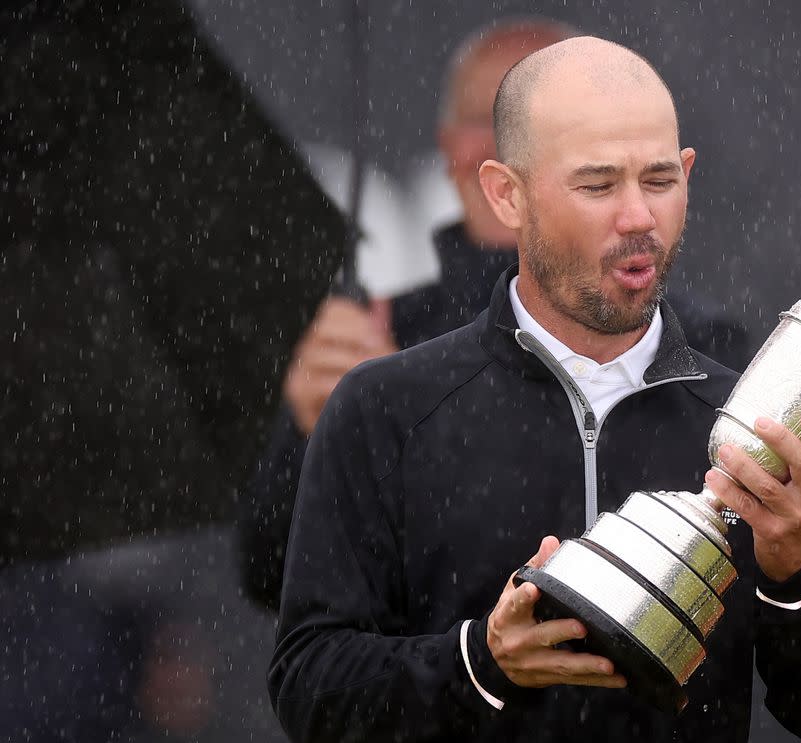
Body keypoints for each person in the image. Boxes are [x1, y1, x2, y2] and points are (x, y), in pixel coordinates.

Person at [268, 36, 801, 743]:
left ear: (687, 173)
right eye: (597, 185)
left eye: (659, 179)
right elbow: (309, 691)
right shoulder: (386, 405)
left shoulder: (744, 415)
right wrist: (480, 662)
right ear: (507, 195)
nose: (639, 216)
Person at [239, 20, 747, 611]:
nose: (512, 140)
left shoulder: (700, 347)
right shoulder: (380, 345)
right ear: (458, 153)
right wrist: (323, 439)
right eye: (494, 120)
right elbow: (275, 579)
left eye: (551, 122)